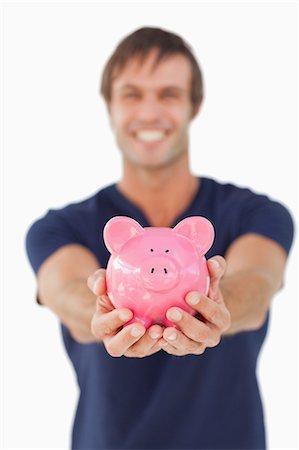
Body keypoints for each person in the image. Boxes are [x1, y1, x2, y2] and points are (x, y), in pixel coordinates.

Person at [26, 27, 294, 450]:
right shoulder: (58, 227)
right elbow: (66, 291)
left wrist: (218, 306)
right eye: (132, 94)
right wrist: (101, 312)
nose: (150, 112)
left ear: (194, 106)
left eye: (168, 94)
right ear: (110, 107)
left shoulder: (256, 213)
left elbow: (256, 282)